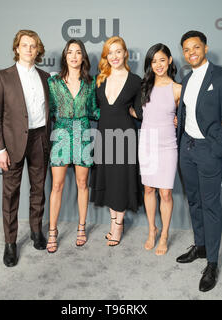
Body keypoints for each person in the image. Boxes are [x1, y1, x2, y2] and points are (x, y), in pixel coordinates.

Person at [175, 30, 222, 291]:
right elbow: (190, 112)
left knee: (211, 206)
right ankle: (200, 247)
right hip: (187, 148)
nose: (191, 52)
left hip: (208, 151)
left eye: (196, 47)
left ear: (205, 48)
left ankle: (212, 263)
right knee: (194, 201)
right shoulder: (187, 78)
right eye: (187, 49)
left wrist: (216, 150)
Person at [0, 30, 51, 267]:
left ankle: (36, 232)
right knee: (10, 194)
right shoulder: (1, 77)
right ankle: (10, 243)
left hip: (39, 139)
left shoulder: (46, 77)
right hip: (12, 144)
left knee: (38, 190)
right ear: (17, 48)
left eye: (33, 46)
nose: (29, 49)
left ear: (38, 50)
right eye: (24, 45)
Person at [46, 39, 99, 253]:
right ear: (65, 56)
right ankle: (52, 231)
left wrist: (121, 113)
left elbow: (95, 111)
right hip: (60, 134)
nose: (74, 56)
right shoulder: (54, 82)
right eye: (70, 52)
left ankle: (81, 227)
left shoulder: (91, 82)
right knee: (56, 185)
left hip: (83, 134)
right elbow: (48, 110)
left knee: (82, 183)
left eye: (78, 52)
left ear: (83, 57)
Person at [90, 36, 143, 246]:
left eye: (118, 51)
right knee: (109, 180)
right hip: (104, 135)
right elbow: (94, 108)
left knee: (121, 181)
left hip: (125, 137)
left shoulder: (135, 81)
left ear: (125, 53)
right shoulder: (99, 79)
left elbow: (140, 111)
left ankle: (118, 226)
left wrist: (132, 112)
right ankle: (113, 222)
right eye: (110, 52)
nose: (114, 56)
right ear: (106, 56)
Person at [130, 43, 181, 256]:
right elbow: (136, 111)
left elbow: (187, 116)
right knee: (149, 189)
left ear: (169, 60)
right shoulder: (144, 87)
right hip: (148, 143)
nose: (158, 65)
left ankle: (165, 234)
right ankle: (152, 230)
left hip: (168, 145)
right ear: (150, 64)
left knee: (166, 193)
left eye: (162, 60)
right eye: (154, 61)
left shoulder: (178, 89)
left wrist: (178, 119)